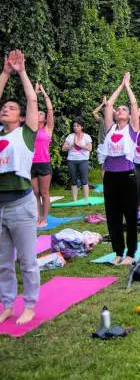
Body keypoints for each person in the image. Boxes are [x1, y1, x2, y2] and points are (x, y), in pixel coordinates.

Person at [0, 49, 40, 325]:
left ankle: (30, 304)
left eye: (12, 108)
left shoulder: (26, 134)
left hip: (20, 205)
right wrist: (5, 73)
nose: (5, 109)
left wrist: (22, 72)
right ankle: (6, 304)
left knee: (27, 260)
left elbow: (32, 99)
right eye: (4, 107)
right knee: (3, 262)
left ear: (22, 117)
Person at [101, 73, 140, 265]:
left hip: (127, 176)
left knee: (130, 216)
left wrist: (128, 86)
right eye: (119, 109)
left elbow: (134, 104)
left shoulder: (132, 129)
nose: (120, 110)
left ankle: (131, 253)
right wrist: (120, 85)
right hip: (110, 176)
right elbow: (109, 104)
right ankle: (118, 251)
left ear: (129, 115)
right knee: (112, 216)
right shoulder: (110, 129)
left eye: (124, 109)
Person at [31, 84, 54, 228]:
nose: (38, 114)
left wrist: (44, 93)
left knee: (44, 192)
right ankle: (38, 217)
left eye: (41, 114)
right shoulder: (30, 129)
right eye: (37, 113)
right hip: (31, 163)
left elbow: (50, 110)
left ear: (45, 119)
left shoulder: (47, 129)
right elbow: (31, 106)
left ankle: (44, 218)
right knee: (35, 192)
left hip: (44, 163)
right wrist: (34, 93)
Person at [62, 118, 92, 203]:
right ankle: (74, 201)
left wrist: (79, 145)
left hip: (83, 160)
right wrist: (71, 145)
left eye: (77, 126)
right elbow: (63, 149)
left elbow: (90, 148)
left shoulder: (86, 136)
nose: (75, 127)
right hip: (72, 160)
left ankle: (86, 200)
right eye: (74, 126)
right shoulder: (70, 136)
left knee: (84, 180)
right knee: (73, 180)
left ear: (82, 127)